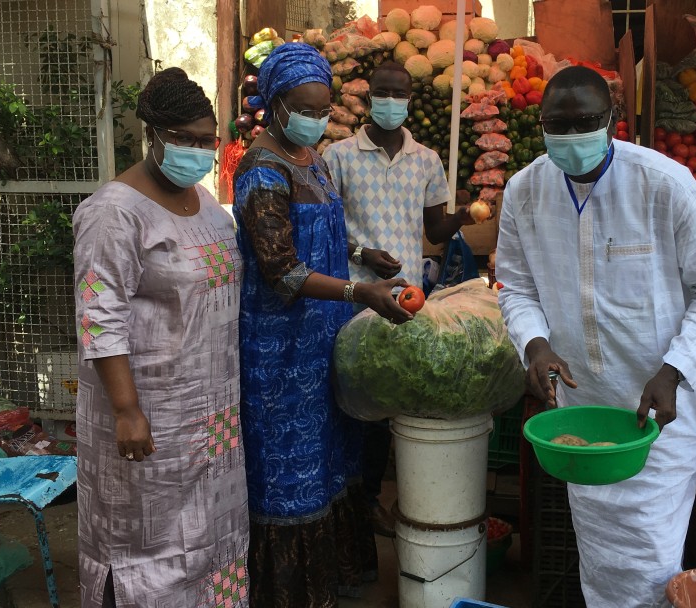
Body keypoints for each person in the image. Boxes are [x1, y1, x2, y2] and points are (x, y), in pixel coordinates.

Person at [495, 66, 696, 607]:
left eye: (584, 122)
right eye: (555, 124)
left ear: (612, 122)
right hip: (585, 415)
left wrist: (674, 368)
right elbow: (514, 287)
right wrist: (535, 345)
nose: (569, 136)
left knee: (649, 561)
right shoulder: (524, 191)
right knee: (604, 561)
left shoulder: (665, 184)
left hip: (660, 414)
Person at [232, 43, 413, 607]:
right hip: (280, 349)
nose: (316, 118)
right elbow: (281, 269)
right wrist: (361, 291)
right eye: (305, 109)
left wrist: (363, 252)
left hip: (325, 337)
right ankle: (289, 593)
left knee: (336, 454)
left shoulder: (312, 159)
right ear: (276, 105)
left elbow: (322, 230)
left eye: (323, 107)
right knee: (291, 468)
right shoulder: (261, 171)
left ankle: (333, 575)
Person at [73, 67, 250, 608]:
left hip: (212, 417)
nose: (199, 151)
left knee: (210, 543)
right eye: (185, 140)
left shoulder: (208, 206)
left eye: (207, 140)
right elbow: (99, 317)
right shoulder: (113, 213)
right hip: (148, 415)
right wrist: (127, 409)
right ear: (153, 135)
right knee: (143, 545)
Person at [322, 60, 474, 537]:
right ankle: (345, 499)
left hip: (404, 303)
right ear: (368, 99)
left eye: (400, 94)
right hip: (349, 297)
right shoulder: (338, 157)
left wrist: (466, 213)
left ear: (409, 100)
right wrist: (362, 251)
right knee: (346, 398)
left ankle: (368, 501)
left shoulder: (426, 159)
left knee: (386, 398)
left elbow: (434, 229)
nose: (392, 102)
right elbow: (323, 232)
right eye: (383, 93)